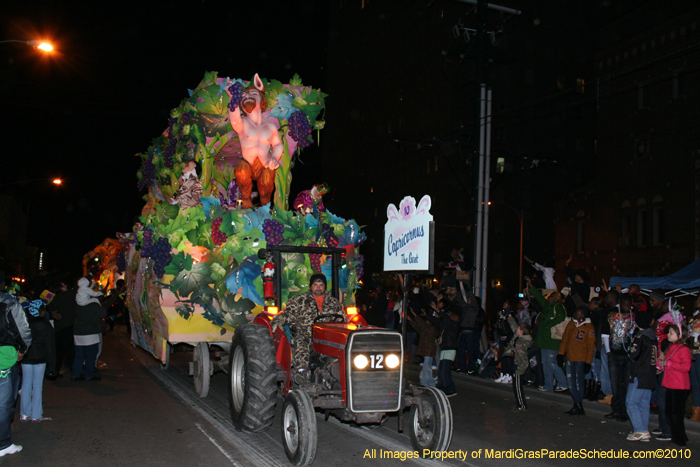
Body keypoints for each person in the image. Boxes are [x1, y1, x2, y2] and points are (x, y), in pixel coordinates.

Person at [270, 274, 346, 383]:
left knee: (338, 350)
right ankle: (302, 373)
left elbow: (342, 319)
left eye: (321, 285)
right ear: (311, 286)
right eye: (315, 285)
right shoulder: (300, 300)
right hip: (307, 336)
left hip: (326, 339)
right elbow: (288, 313)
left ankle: (335, 375)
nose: (318, 287)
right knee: (302, 344)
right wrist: (278, 320)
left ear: (325, 287)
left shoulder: (334, 303)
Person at [227, 74, 284, 208]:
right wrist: (232, 98)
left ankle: (266, 213)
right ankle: (246, 211)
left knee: (266, 195)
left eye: (252, 93)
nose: (247, 97)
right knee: (242, 174)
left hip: (265, 166)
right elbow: (234, 120)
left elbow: (277, 144)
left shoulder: (270, 127)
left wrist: (275, 157)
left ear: (261, 99)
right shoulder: (243, 123)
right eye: (244, 96)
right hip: (247, 165)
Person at [0, 270, 32, 457]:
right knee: (4, 402)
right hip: (4, 357)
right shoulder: (9, 302)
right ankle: (3, 444)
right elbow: (23, 330)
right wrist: (22, 350)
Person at [526, 276, 569, 392]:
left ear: (554, 298)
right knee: (545, 364)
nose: (547, 298)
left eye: (549, 297)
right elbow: (540, 299)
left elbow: (561, 317)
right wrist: (531, 287)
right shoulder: (548, 307)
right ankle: (548, 385)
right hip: (544, 340)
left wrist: (548, 324)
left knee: (552, 363)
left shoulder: (558, 306)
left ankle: (563, 383)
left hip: (552, 340)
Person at [20, 300, 55, 423]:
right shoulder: (45, 324)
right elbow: (50, 345)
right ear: (40, 311)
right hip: (40, 358)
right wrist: (52, 366)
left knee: (26, 385)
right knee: (37, 386)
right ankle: (36, 415)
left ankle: (24, 413)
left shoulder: (25, 322)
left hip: (26, 357)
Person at [625, 309, 657, 442]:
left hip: (640, 372)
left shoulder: (641, 337)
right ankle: (643, 429)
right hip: (650, 373)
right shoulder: (653, 336)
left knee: (631, 402)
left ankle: (639, 430)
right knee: (643, 403)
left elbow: (633, 355)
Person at [558, 305, 595, 416]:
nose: (574, 315)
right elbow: (565, 340)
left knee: (579, 383)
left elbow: (591, 346)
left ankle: (577, 405)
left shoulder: (589, 327)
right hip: (570, 357)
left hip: (580, 359)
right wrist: (561, 354)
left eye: (577, 313)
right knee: (571, 383)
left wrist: (588, 362)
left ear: (583, 315)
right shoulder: (571, 324)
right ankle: (578, 405)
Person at [659, 324, 691, 446]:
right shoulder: (672, 347)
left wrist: (669, 363)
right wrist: (662, 363)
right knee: (669, 412)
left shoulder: (683, 349)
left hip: (679, 386)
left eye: (671, 333)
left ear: (680, 335)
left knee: (676, 413)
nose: (668, 335)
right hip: (671, 384)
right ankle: (679, 435)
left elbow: (686, 367)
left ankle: (679, 438)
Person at [72, 287, 108, 381]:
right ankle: (89, 374)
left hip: (78, 335)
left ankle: (75, 374)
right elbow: (103, 313)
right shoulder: (92, 304)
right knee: (90, 356)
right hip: (90, 335)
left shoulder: (77, 305)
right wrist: (98, 303)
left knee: (79, 356)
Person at [48, 281, 77, 376]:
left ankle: (55, 370)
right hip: (67, 326)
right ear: (62, 288)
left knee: (59, 351)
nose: (66, 284)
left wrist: (52, 313)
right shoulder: (67, 295)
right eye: (64, 284)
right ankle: (73, 371)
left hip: (59, 327)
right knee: (70, 350)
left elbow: (49, 306)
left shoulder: (55, 297)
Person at [407, 306, 437, 388]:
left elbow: (422, 325)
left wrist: (414, 314)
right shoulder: (428, 328)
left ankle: (425, 382)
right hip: (427, 350)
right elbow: (419, 328)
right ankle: (430, 383)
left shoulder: (431, 328)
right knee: (427, 366)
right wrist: (411, 320)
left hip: (428, 350)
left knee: (426, 366)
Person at [506, 323, 533, 411]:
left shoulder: (521, 341)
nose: (516, 329)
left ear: (521, 331)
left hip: (519, 365)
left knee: (517, 387)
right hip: (520, 364)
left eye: (518, 328)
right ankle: (520, 404)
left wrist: (516, 364)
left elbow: (520, 355)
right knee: (517, 385)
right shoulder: (520, 338)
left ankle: (522, 405)